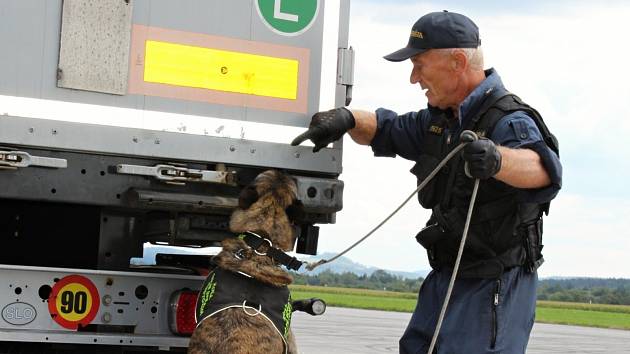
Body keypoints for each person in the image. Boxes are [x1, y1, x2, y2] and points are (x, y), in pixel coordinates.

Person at [291, 11, 562, 354]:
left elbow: (543, 169)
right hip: (445, 277)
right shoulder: (442, 122)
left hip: (493, 285)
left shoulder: (510, 121)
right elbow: (384, 128)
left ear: (458, 61)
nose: (413, 78)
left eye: (419, 64)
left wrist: (496, 159)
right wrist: (346, 119)